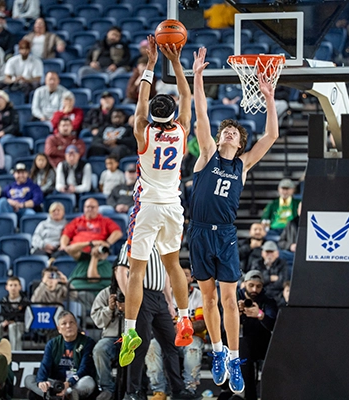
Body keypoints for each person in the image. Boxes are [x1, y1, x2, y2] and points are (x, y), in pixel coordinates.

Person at [189, 46, 279, 395]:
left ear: (240, 143)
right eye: (224, 130)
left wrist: (268, 97)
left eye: (233, 132)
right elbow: (200, 114)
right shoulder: (207, 154)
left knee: (229, 300)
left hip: (225, 235)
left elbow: (270, 136)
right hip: (199, 233)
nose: (227, 132)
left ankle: (234, 358)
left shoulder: (242, 165)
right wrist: (197, 77)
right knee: (208, 299)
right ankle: (217, 352)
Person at [119, 36, 194, 369]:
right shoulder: (182, 130)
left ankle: (129, 331)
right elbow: (186, 95)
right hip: (173, 206)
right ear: (174, 115)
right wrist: (175, 61)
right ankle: (184, 317)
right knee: (173, 265)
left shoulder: (143, 131)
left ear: (152, 115)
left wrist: (150, 64)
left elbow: (140, 101)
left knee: (136, 271)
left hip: (147, 205)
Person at [116, 244, 201, 400]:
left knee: (171, 343)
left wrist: (169, 301)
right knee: (139, 345)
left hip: (159, 297)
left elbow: (166, 274)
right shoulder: (134, 240)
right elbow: (121, 270)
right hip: (141, 295)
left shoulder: (161, 243)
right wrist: (130, 297)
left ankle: (178, 390)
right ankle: (132, 391)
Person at [145, 262, 206, 397]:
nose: (181, 278)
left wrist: (179, 328)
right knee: (152, 346)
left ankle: (189, 389)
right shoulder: (165, 296)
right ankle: (159, 390)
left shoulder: (199, 295)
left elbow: (202, 324)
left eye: (185, 275)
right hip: (167, 337)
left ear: (192, 278)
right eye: (177, 275)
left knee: (193, 347)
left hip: (191, 337)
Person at [24, 311, 96, 400]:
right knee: (29, 379)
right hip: (56, 384)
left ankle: (68, 395)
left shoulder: (87, 342)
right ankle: (51, 396)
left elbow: (84, 369)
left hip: (75, 383)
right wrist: (41, 382)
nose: (68, 326)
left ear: (76, 325)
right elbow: (44, 366)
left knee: (89, 381)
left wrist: (69, 383)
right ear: (59, 329)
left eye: (71, 322)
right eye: (64, 323)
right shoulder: (52, 344)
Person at [237, 270, 278, 400]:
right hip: (240, 343)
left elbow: (274, 325)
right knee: (244, 347)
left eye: (258, 286)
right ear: (244, 284)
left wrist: (260, 315)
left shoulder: (268, 301)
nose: (254, 289)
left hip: (261, 342)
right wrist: (235, 314)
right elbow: (222, 324)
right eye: (251, 285)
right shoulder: (234, 298)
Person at [90, 272, 125, 400]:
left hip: (133, 336)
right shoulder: (105, 293)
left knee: (141, 349)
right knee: (100, 349)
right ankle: (107, 389)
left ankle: (136, 388)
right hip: (111, 337)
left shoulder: (139, 290)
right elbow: (97, 321)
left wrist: (129, 308)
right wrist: (109, 309)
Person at [0, 276, 29, 351]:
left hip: (21, 324)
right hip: (7, 322)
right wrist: (5, 321)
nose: (13, 288)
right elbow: (3, 315)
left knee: (12, 327)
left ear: (20, 287)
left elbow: (25, 316)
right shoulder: (4, 300)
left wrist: (13, 321)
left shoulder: (25, 301)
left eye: (15, 285)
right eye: (11, 285)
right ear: (6, 287)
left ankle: (15, 352)